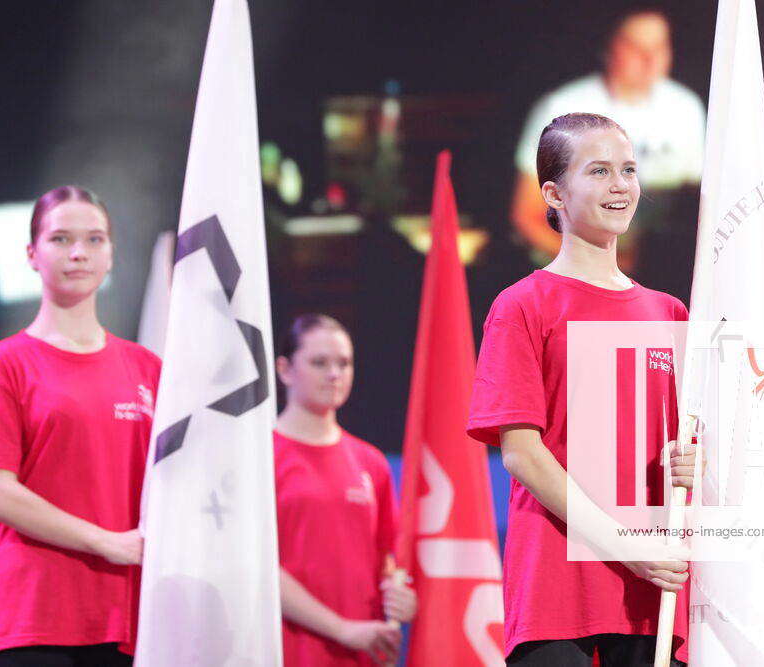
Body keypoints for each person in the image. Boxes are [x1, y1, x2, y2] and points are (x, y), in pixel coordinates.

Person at [469, 113, 697, 666]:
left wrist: (693, 463)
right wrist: (628, 548)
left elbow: (688, 444)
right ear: (553, 192)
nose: (620, 186)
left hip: (650, 592)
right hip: (557, 584)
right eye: (598, 171)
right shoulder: (522, 305)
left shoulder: (668, 313)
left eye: (628, 170)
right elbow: (522, 455)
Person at [0, 186, 160, 665]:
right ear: (32, 254)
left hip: (126, 620)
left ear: (112, 254)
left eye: (95, 239)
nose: (79, 253)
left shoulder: (148, 369)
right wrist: (107, 543)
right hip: (32, 620)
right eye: (60, 239)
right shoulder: (2, 366)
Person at [512, 9, 705, 287]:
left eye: (659, 47)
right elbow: (527, 215)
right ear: (609, 48)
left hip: (665, 278)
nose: (649, 59)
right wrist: (603, 268)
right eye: (636, 47)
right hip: (578, 280)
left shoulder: (686, 107)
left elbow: (698, 205)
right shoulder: (563, 108)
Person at [273, 314, 417, 666]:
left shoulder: (370, 462)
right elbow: (254, 565)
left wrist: (401, 598)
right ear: (285, 369)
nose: (334, 374)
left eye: (344, 363)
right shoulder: (259, 456)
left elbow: (385, 560)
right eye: (320, 363)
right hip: (285, 648)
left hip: (360, 651)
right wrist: (341, 628)